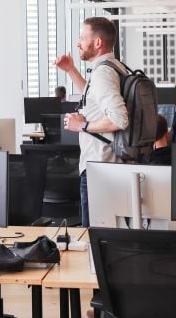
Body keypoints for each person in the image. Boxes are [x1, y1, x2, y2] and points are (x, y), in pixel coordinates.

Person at [55, 17, 128, 227]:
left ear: (97, 43)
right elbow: (93, 96)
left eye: (82, 37)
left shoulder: (103, 72)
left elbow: (119, 118)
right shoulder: (111, 66)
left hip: (100, 167)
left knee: (94, 238)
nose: (78, 43)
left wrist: (82, 126)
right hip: (108, 165)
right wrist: (70, 69)